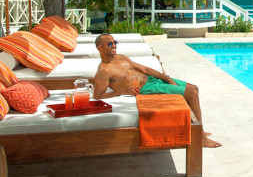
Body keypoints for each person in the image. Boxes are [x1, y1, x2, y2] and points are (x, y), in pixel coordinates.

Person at [92, 33, 221, 148]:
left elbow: (145, 70)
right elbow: (98, 95)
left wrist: (165, 78)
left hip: (152, 80)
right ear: (100, 47)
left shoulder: (121, 58)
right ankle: (201, 138)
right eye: (110, 43)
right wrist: (121, 92)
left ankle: (199, 130)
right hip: (147, 88)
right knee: (191, 93)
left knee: (194, 88)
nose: (114, 45)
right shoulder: (104, 70)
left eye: (115, 42)